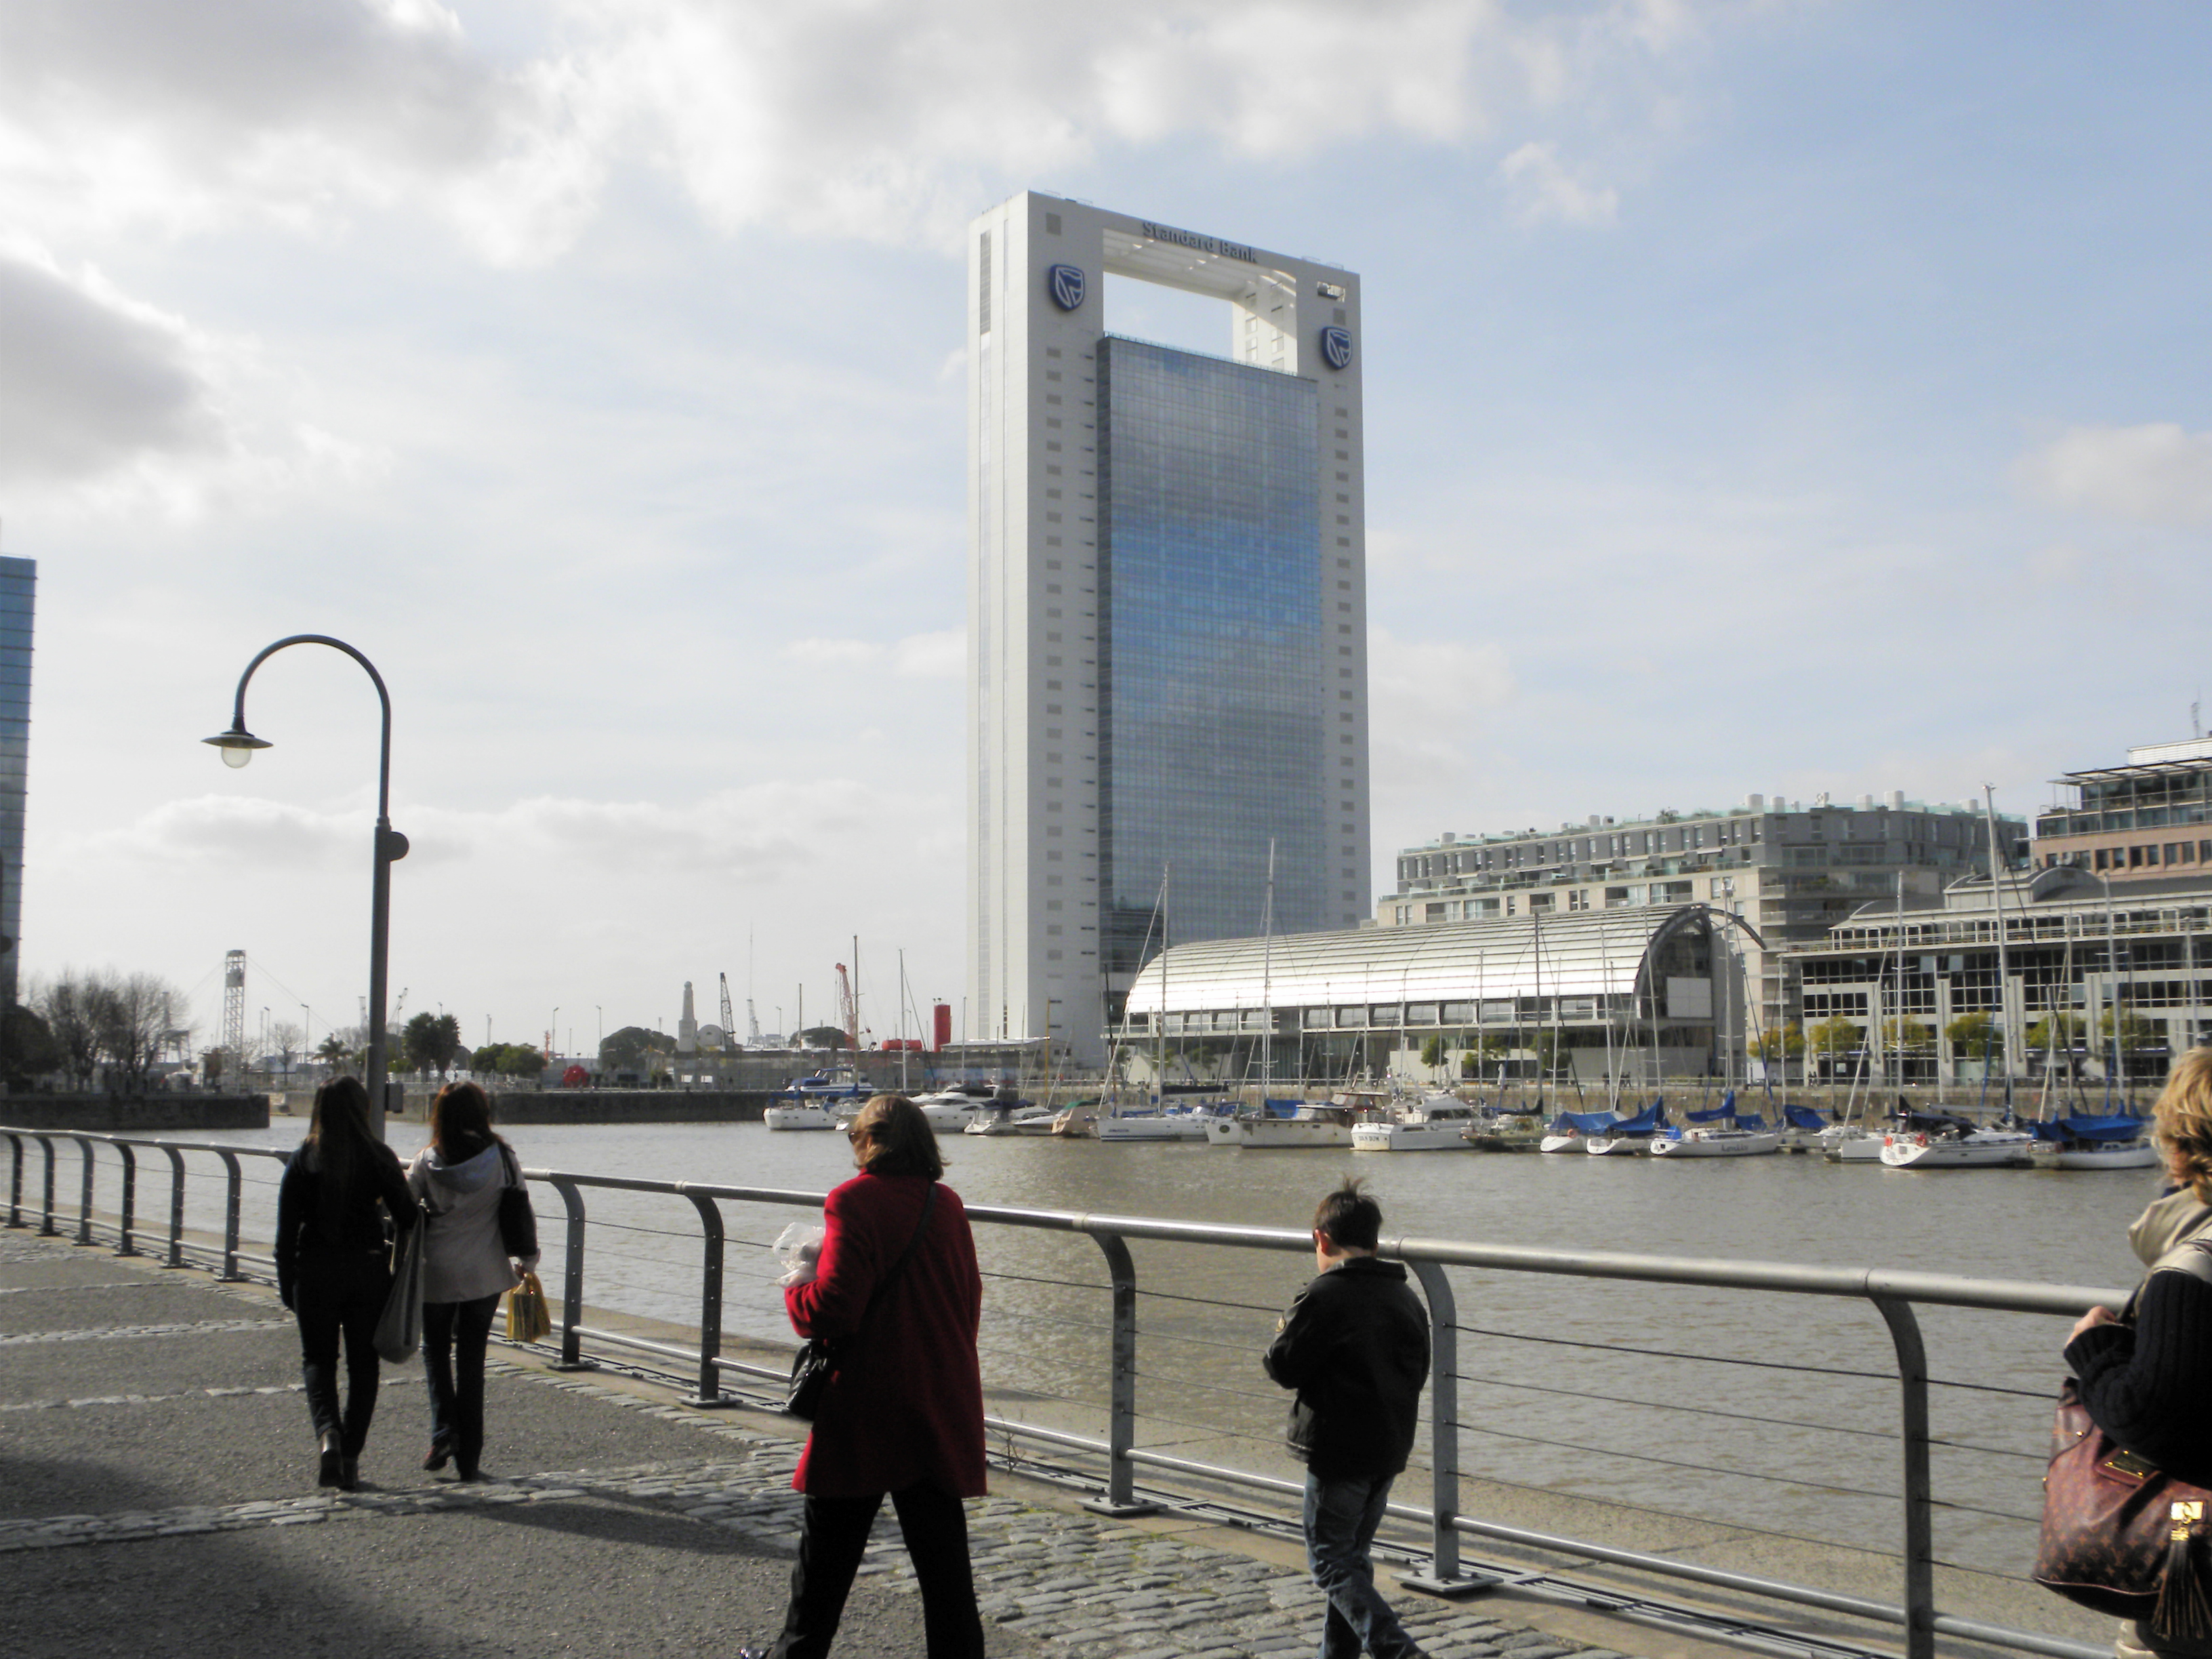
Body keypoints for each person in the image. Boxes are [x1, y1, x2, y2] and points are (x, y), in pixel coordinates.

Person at [741, 1093, 987, 1659]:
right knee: (945, 1566)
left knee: (828, 1552)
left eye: (856, 1135)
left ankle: (795, 1656)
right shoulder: (947, 1203)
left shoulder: (852, 1200)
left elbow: (833, 1309)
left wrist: (798, 1288)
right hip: (939, 1395)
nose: (854, 1145)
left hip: (869, 1399)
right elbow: (969, 1298)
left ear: (870, 1142)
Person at [2064, 1047, 2212, 1659]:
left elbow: (2150, 1420)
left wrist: (2095, 1350)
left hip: (2194, 1542)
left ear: (2181, 1148)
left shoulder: (2191, 1269)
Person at [1265, 1179, 1432, 1659]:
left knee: (1330, 1562)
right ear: (1374, 1243)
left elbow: (1283, 1366)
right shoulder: (1406, 1298)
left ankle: (1397, 1650)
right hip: (1389, 1447)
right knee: (1352, 1559)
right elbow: (1418, 1371)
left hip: (1338, 1450)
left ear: (1321, 1239)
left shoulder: (1324, 1295)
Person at [274, 1075, 417, 1492]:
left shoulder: (304, 1159)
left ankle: (328, 1438)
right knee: (363, 1365)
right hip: (367, 1273)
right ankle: (351, 1456)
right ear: (362, 1109)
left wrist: (287, 1284)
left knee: (318, 1362)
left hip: (313, 1272)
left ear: (319, 1109)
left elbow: (285, 1233)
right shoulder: (378, 1156)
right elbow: (408, 1216)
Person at [407, 1080, 535, 1482]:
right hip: (485, 1271)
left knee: (435, 1351)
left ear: (439, 1116)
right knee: (472, 1361)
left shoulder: (427, 1161)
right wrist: (528, 1260)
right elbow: (521, 1207)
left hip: (436, 1271)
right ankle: (470, 1459)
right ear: (482, 1113)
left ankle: (444, 1431)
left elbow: (403, 1207)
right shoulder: (503, 1157)